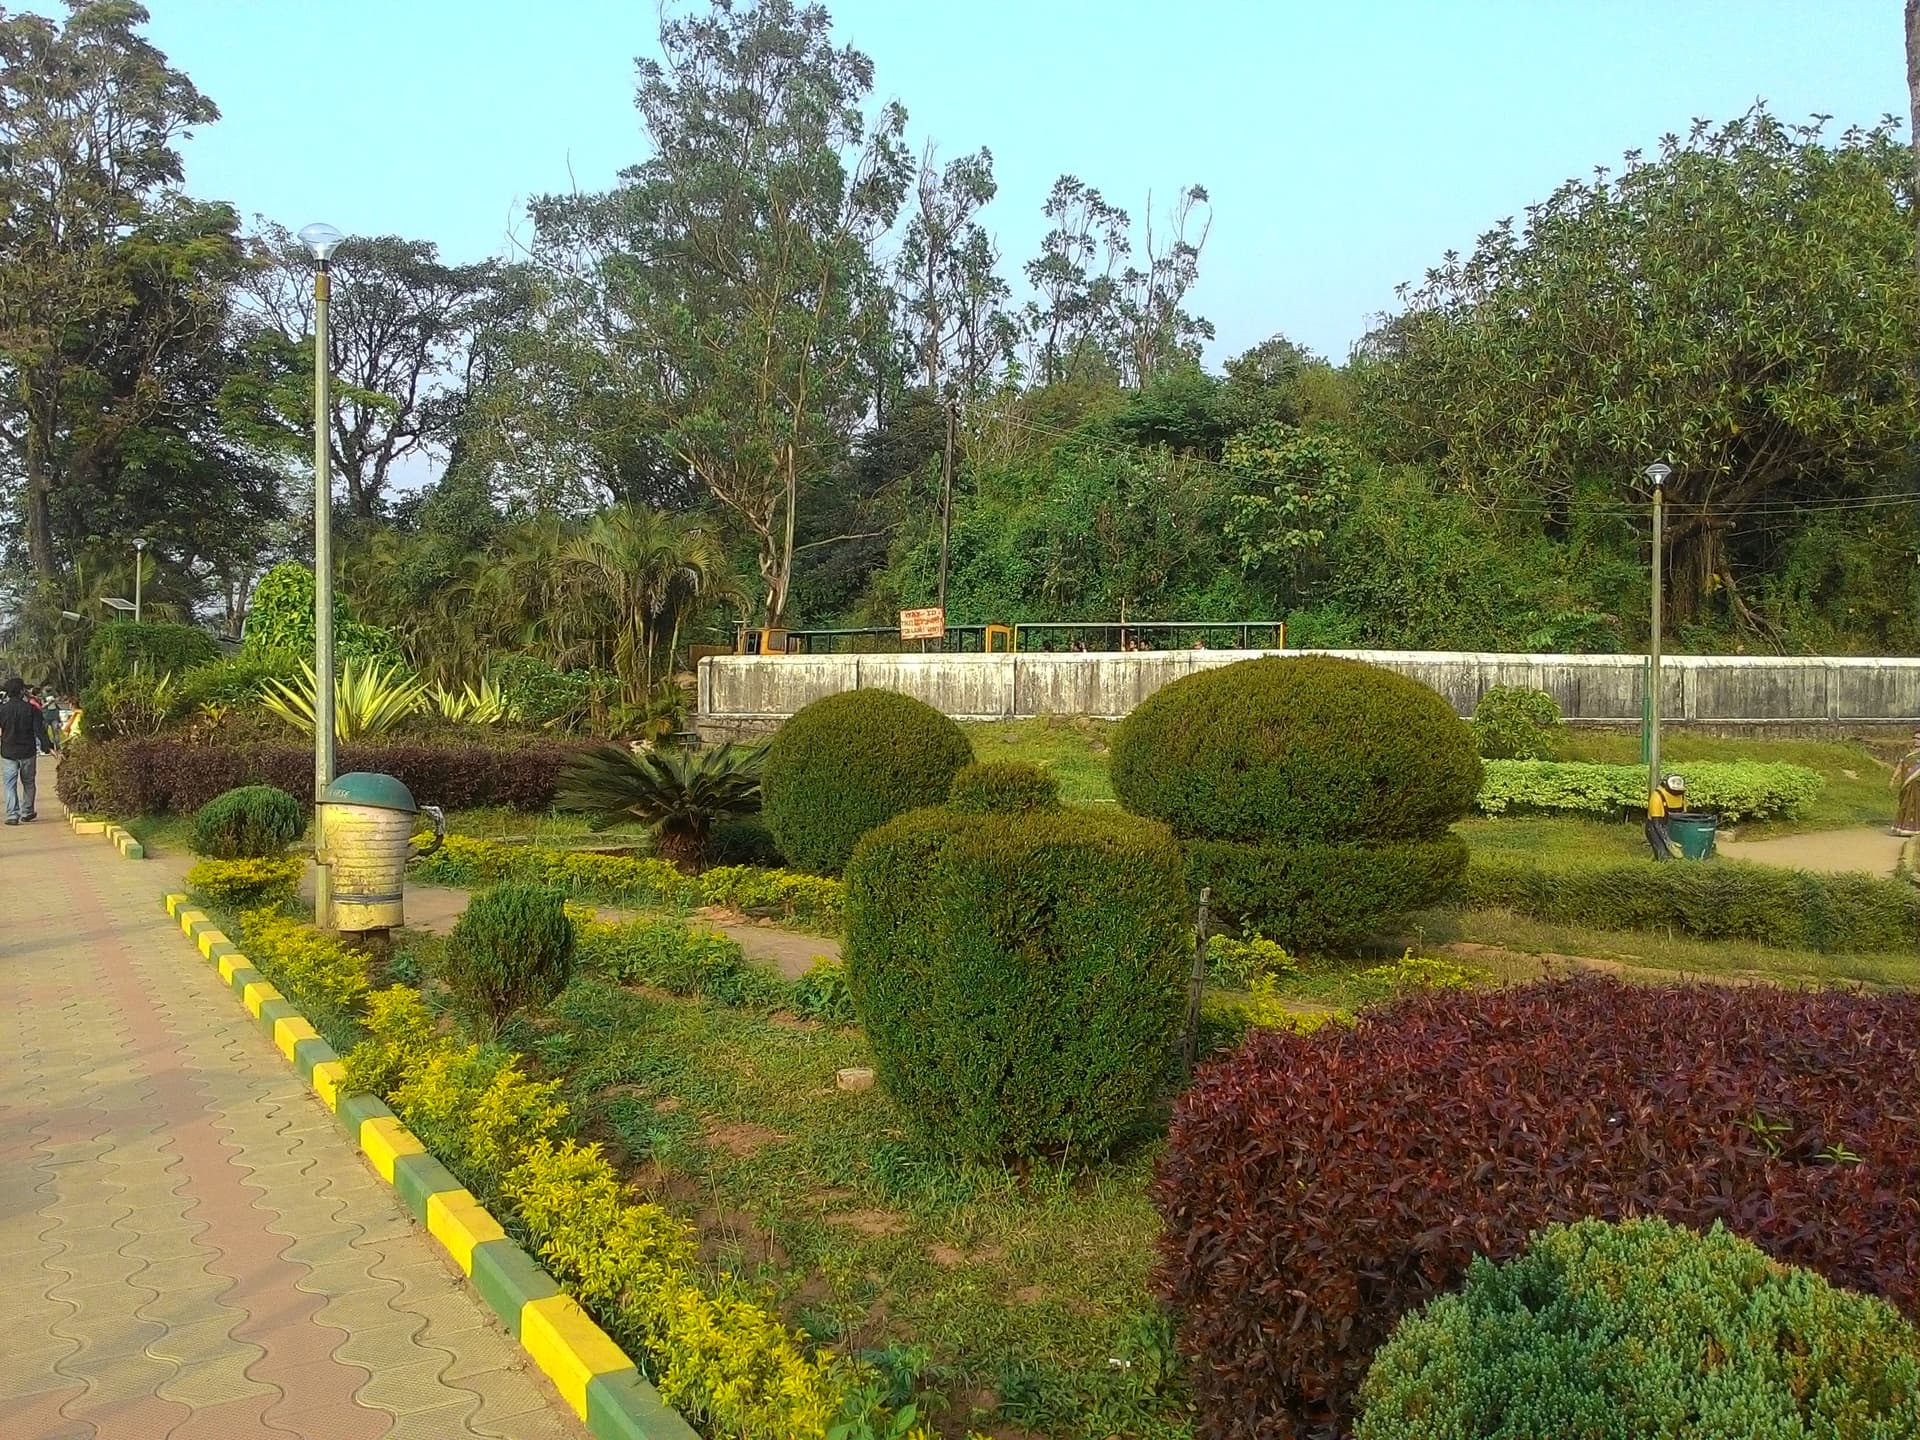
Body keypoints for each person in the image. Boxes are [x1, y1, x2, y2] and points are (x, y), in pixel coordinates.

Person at [1, 676, 58, 825]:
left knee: (9, 784)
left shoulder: (2, 710)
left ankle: (12, 815)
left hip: (8, 752)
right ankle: (27, 811)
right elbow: (40, 731)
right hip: (27, 752)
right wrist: (49, 747)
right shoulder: (31, 709)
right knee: (28, 782)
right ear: (21, 691)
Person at [1645, 772, 1686, 861]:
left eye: (1679, 782)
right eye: (1673, 782)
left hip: (1674, 825)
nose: (1677, 785)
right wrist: (1668, 842)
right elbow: (1657, 823)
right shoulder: (1657, 796)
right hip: (1656, 827)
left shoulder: (1681, 796)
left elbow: (1684, 816)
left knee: (1684, 852)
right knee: (1663, 855)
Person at [1892, 730, 1920, 838]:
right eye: (1915, 738)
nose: (1916, 741)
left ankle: (1916, 829)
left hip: (1918, 785)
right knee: (1905, 805)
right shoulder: (1908, 754)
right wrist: (1893, 778)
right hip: (1907, 785)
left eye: (1918, 739)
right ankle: (1903, 828)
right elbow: (1900, 766)